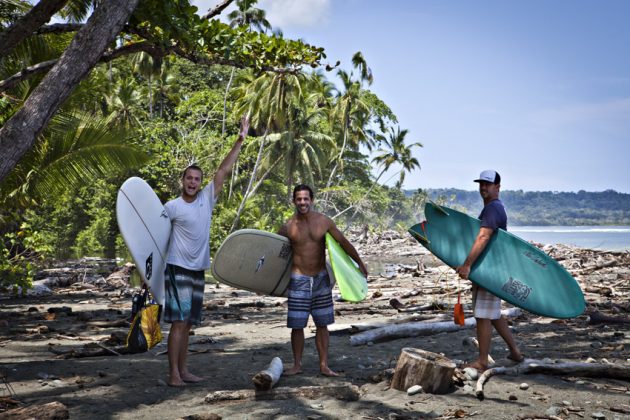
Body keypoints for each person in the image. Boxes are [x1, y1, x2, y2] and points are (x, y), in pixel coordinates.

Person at [163, 116, 249, 387]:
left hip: (198, 269)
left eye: (197, 179)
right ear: (182, 180)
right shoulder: (171, 207)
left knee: (188, 324)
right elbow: (156, 239)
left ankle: (184, 370)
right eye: (189, 178)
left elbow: (223, 171)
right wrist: (148, 270)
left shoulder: (206, 200)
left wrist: (240, 139)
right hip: (177, 268)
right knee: (178, 323)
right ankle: (173, 374)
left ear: (201, 183)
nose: (192, 182)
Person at [278, 184, 368, 377]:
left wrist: (359, 262)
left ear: (312, 200)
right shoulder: (288, 226)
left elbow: (343, 243)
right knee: (297, 325)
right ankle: (296, 365)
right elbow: (275, 254)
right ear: (294, 201)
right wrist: (263, 281)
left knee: (322, 324)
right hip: (298, 279)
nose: (302, 202)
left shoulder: (324, 222)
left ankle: (324, 365)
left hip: (320, 278)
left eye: (306, 199)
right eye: (299, 199)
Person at [455, 170, 523, 372]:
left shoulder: (493, 208)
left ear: (498, 187)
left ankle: (482, 361)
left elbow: (483, 237)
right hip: (492, 270)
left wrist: (467, 265)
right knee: (493, 314)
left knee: (483, 315)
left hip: (490, 271)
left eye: (488, 184)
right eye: (481, 184)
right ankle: (515, 353)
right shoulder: (494, 208)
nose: (483, 187)